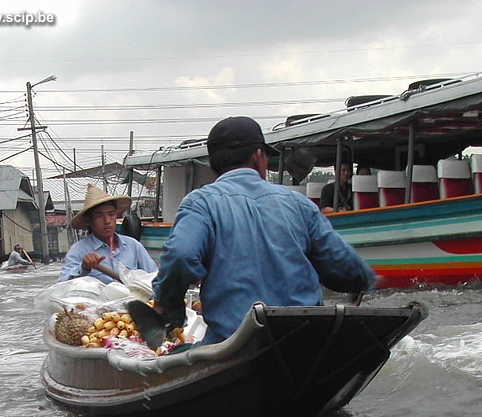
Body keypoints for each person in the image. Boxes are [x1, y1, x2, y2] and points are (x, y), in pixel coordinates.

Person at [151, 116, 375, 345]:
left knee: (181, 351)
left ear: (214, 164)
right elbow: (346, 269)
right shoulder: (299, 204)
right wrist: (361, 282)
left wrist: (169, 309)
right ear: (258, 158)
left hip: (234, 345)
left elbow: (181, 256)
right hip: (308, 339)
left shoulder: (200, 203)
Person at [58, 184, 157, 284]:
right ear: (89, 220)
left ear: (116, 215)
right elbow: (63, 286)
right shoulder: (78, 250)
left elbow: (155, 278)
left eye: (111, 214)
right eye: (99, 216)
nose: (107, 221)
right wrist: (83, 268)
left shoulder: (133, 246)